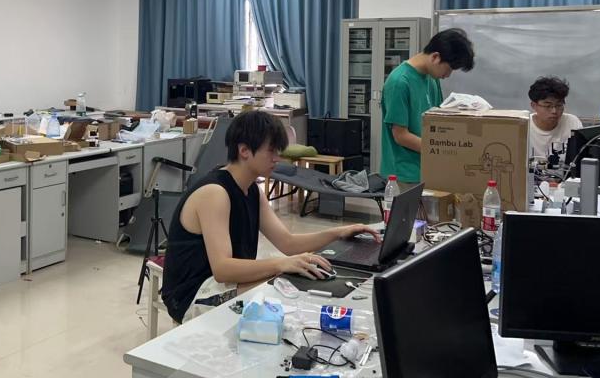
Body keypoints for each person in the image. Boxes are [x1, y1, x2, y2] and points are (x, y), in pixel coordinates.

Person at [161, 110, 381, 323]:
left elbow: (288, 243)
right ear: (244, 150)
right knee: (286, 289)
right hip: (192, 294)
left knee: (296, 282)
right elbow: (223, 269)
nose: (277, 158)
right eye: (271, 151)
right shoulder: (215, 193)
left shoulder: (252, 190)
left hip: (225, 282)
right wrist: (282, 263)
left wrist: (339, 233)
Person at [380, 28, 475, 184]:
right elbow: (401, 136)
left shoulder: (432, 79)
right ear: (435, 57)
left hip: (429, 167)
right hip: (405, 174)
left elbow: (437, 120)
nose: (448, 75)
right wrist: (441, 150)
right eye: (449, 69)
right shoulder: (399, 82)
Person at [527, 76, 582, 158]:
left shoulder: (572, 123)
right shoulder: (524, 127)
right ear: (533, 105)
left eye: (559, 105)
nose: (554, 111)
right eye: (548, 106)